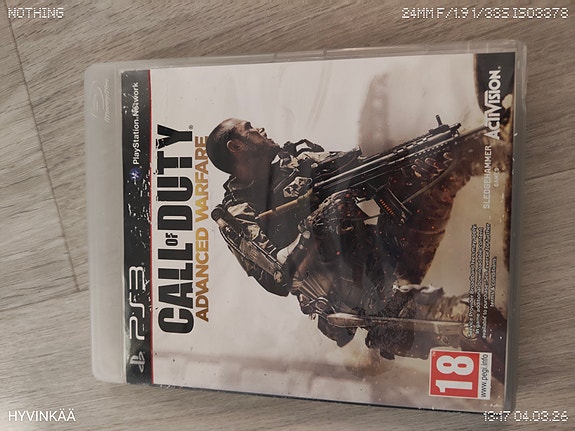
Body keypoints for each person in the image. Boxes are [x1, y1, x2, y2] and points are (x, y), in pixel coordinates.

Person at [207, 118, 498, 361]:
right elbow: (280, 277)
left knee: (447, 157)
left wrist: (410, 165)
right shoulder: (237, 212)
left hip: (387, 250)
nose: (260, 128)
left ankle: (504, 144)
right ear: (236, 146)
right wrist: (315, 227)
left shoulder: (296, 163)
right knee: (472, 322)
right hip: (364, 296)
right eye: (250, 129)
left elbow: (360, 171)